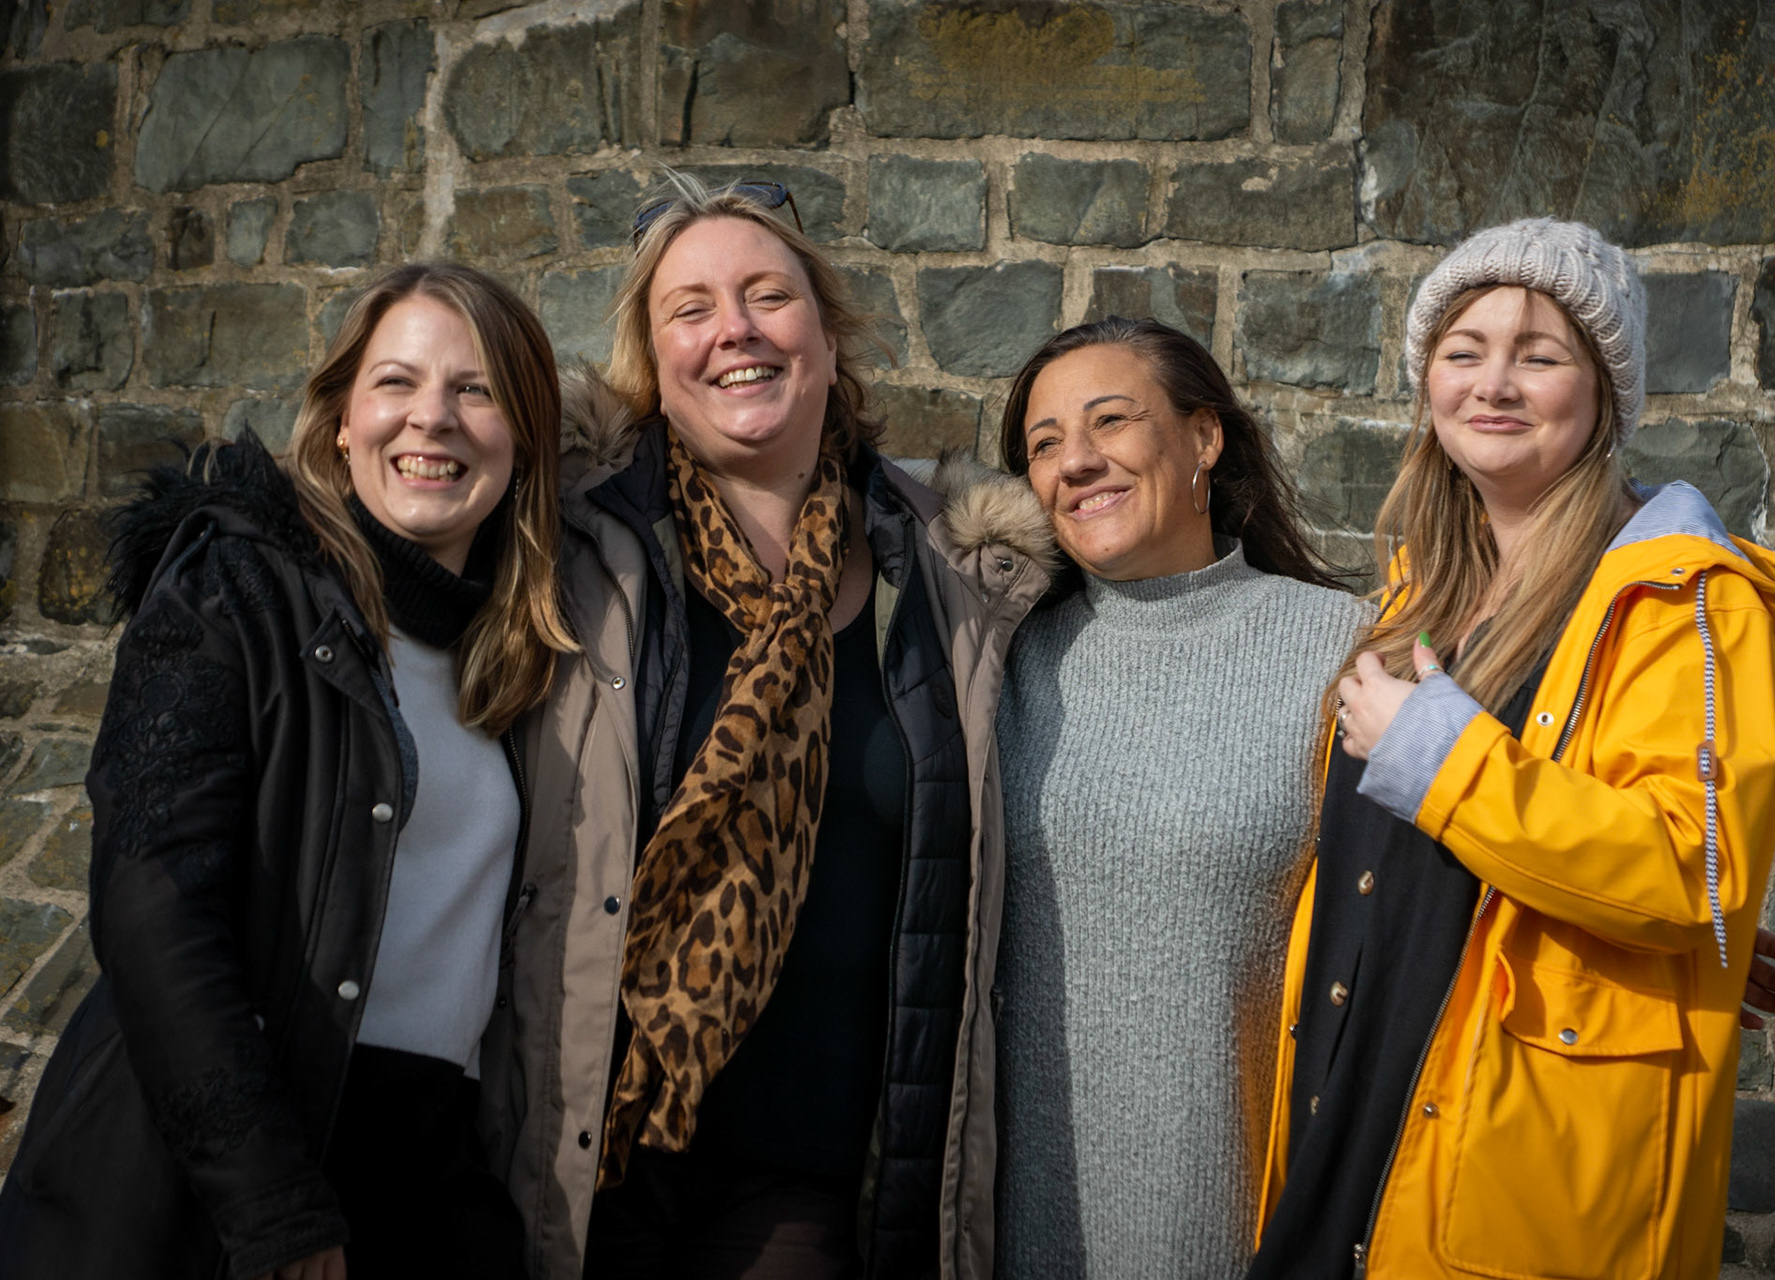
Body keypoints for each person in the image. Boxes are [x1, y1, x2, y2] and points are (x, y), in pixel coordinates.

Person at [488, 174, 1056, 1280]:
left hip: (809, 1173)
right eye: (690, 308)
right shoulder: (563, 551)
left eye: (768, 296)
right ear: (653, 367)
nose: (735, 329)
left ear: (830, 344)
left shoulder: (952, 579)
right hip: (583, 1150)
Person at [1250, 218, 1775, 1279]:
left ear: (1606, 392)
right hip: (1353, 1115)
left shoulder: (1685, 602)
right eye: (1464, 351)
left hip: (1505, 1173)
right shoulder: (1418, 595)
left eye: (1540, 355)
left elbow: (1682, 867)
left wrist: (1438, 756)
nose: (1494, 384)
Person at [0, 263, 575, 1279]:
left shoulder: (517, 665)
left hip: (423, 1174)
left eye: (476, 390)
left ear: (523, 437)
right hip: (213, 1191)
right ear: (343, 421)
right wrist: (271, 1201)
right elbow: (151, 904)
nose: (432, 418)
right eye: (396, 382)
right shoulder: (237, 593)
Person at [985, 318, 1371, 1279]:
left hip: (1247, 1228)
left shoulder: (1345, 650)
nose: (1076, 461)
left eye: (1110, 420)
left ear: (1204, 438)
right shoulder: (996, 660)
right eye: (1044, 444)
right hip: (1008, 1231)